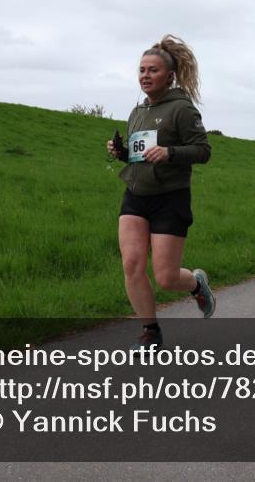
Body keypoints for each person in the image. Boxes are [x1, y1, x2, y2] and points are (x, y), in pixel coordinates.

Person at [106, 35, 214, 350]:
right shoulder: (137, 112)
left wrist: (170, 153)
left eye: (153, 70)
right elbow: (141, 155)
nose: (145, 75)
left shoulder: (182, 109)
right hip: (136, 195)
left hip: (170, 197)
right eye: (142, 70)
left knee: (166, 278)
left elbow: (203, 150)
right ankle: (150, 332)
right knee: (132, 264)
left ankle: (196, 284)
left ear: (169, 75)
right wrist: (121, 153)